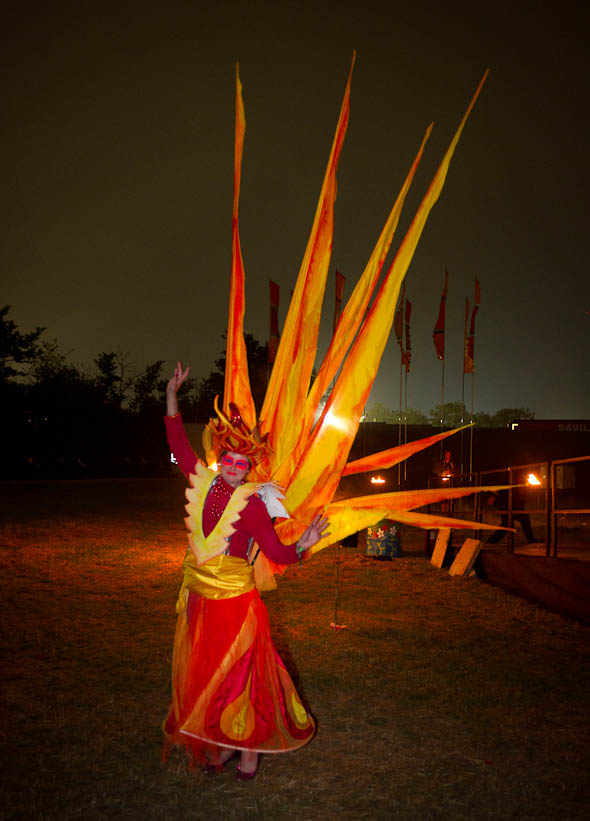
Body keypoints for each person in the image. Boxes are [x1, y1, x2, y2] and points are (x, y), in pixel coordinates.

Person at [162, 362, 329, 779]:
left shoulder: (254, 504)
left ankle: (249, 749)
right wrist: (172, 397)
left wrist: (302, 547)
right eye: (230, 459)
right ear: (221, 458)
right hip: (200, 594)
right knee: (209, 675)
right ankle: (221, 744)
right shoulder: (203, 482)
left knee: (239, 675)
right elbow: (179, 443)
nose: (235, 466)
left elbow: (275, 551)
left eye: (243, 462)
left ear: (251, 466)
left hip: (235, 599)